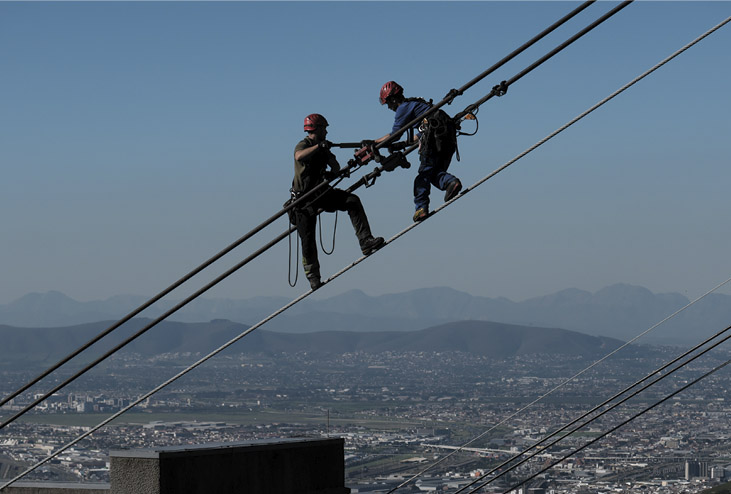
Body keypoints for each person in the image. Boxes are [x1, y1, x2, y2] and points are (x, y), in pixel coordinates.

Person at [292, 113, 384, 290]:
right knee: (308, 238)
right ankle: (313, 276)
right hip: (303, 200)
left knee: (352, 201)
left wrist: (329, 159)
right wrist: (320, 147)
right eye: (324, 128)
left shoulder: (323, 148)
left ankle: (366, 241)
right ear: (317, 129)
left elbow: (334, 167)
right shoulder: (304, 144)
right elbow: (299, 156)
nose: (326, 131)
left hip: (320, 193)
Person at [375, 81, 461, 222]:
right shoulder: (418, 104)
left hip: (434, 138)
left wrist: (375, 143)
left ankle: (421, 208)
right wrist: (401, 145)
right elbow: (421, 133)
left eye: (388, 103)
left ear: (394, 99)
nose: (389, 107)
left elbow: (395, 134)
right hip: (447, 136)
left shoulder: (403, 108)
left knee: (423, 177)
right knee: (433, 173)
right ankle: (450, 183)